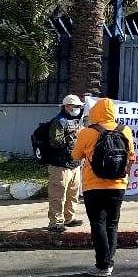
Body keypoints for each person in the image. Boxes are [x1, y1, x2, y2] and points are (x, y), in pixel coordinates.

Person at [71, 98, 135, 277]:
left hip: (93, 186)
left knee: (98, 223)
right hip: (118, 185)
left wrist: (81, 139)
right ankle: (109, 262)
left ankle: (103, 265)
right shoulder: (125, 130)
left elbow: (76, 155)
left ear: (95, 112)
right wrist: (125, 177)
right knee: (112, 224)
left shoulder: (87, 132)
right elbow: (131, 157)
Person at [46, 94, 85, 233]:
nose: (78, 109)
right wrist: (74, 134)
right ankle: (55, 222)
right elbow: (55, 142)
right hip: (60, 165)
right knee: (58, 195)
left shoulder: (76, 120)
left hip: (74, 163)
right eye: (76, 106)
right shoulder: (58, 121)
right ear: (67, 106)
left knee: (73, 193)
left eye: (79, 106)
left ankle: (69, 218)